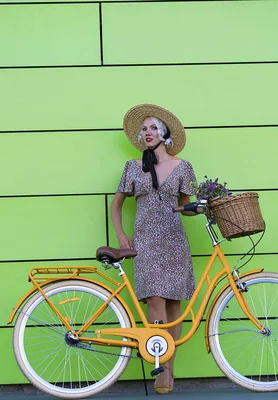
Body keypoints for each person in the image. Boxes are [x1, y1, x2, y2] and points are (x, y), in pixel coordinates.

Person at [111, 104, 199, 394]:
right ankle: (160, 364)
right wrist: (121, 234)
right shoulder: (134, 167)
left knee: (175, 305)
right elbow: (117, 203)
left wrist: (196, 208)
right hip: (145, 240)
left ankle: (169, 367)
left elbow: (185, 206)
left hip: (174, 239)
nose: (146, 133)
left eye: (152, 128)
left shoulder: (183, 167)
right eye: (144, 129)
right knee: (155, 299)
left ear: (164, 133)